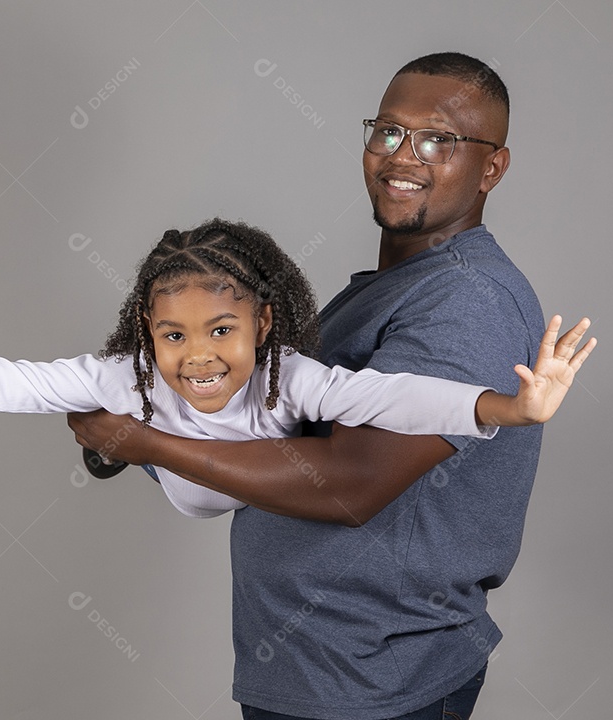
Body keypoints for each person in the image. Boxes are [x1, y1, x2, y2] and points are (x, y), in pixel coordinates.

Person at [67, 53, 575, 719]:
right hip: (312, 672)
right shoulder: (383, 294)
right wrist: (125, 431)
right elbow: (261, 440)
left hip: (377, 681)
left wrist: (145, 442)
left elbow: (351, 481)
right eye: (387, 131)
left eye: (438, 140)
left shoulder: (466, 300)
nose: (402, 156)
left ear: (492, 168)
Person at [0, 218, 591, 520]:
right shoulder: (126, 377)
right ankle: (113, 450)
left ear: (265, 326)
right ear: (146, 333)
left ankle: (122, 448)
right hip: (179, 483)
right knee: (79, 409)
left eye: (223, 330)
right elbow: (4, 379)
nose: (198, 355)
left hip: (228, 466)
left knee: (346, 414)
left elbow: (393, 395)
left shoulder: (289, 375)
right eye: (173, 334)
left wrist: (505, 409)